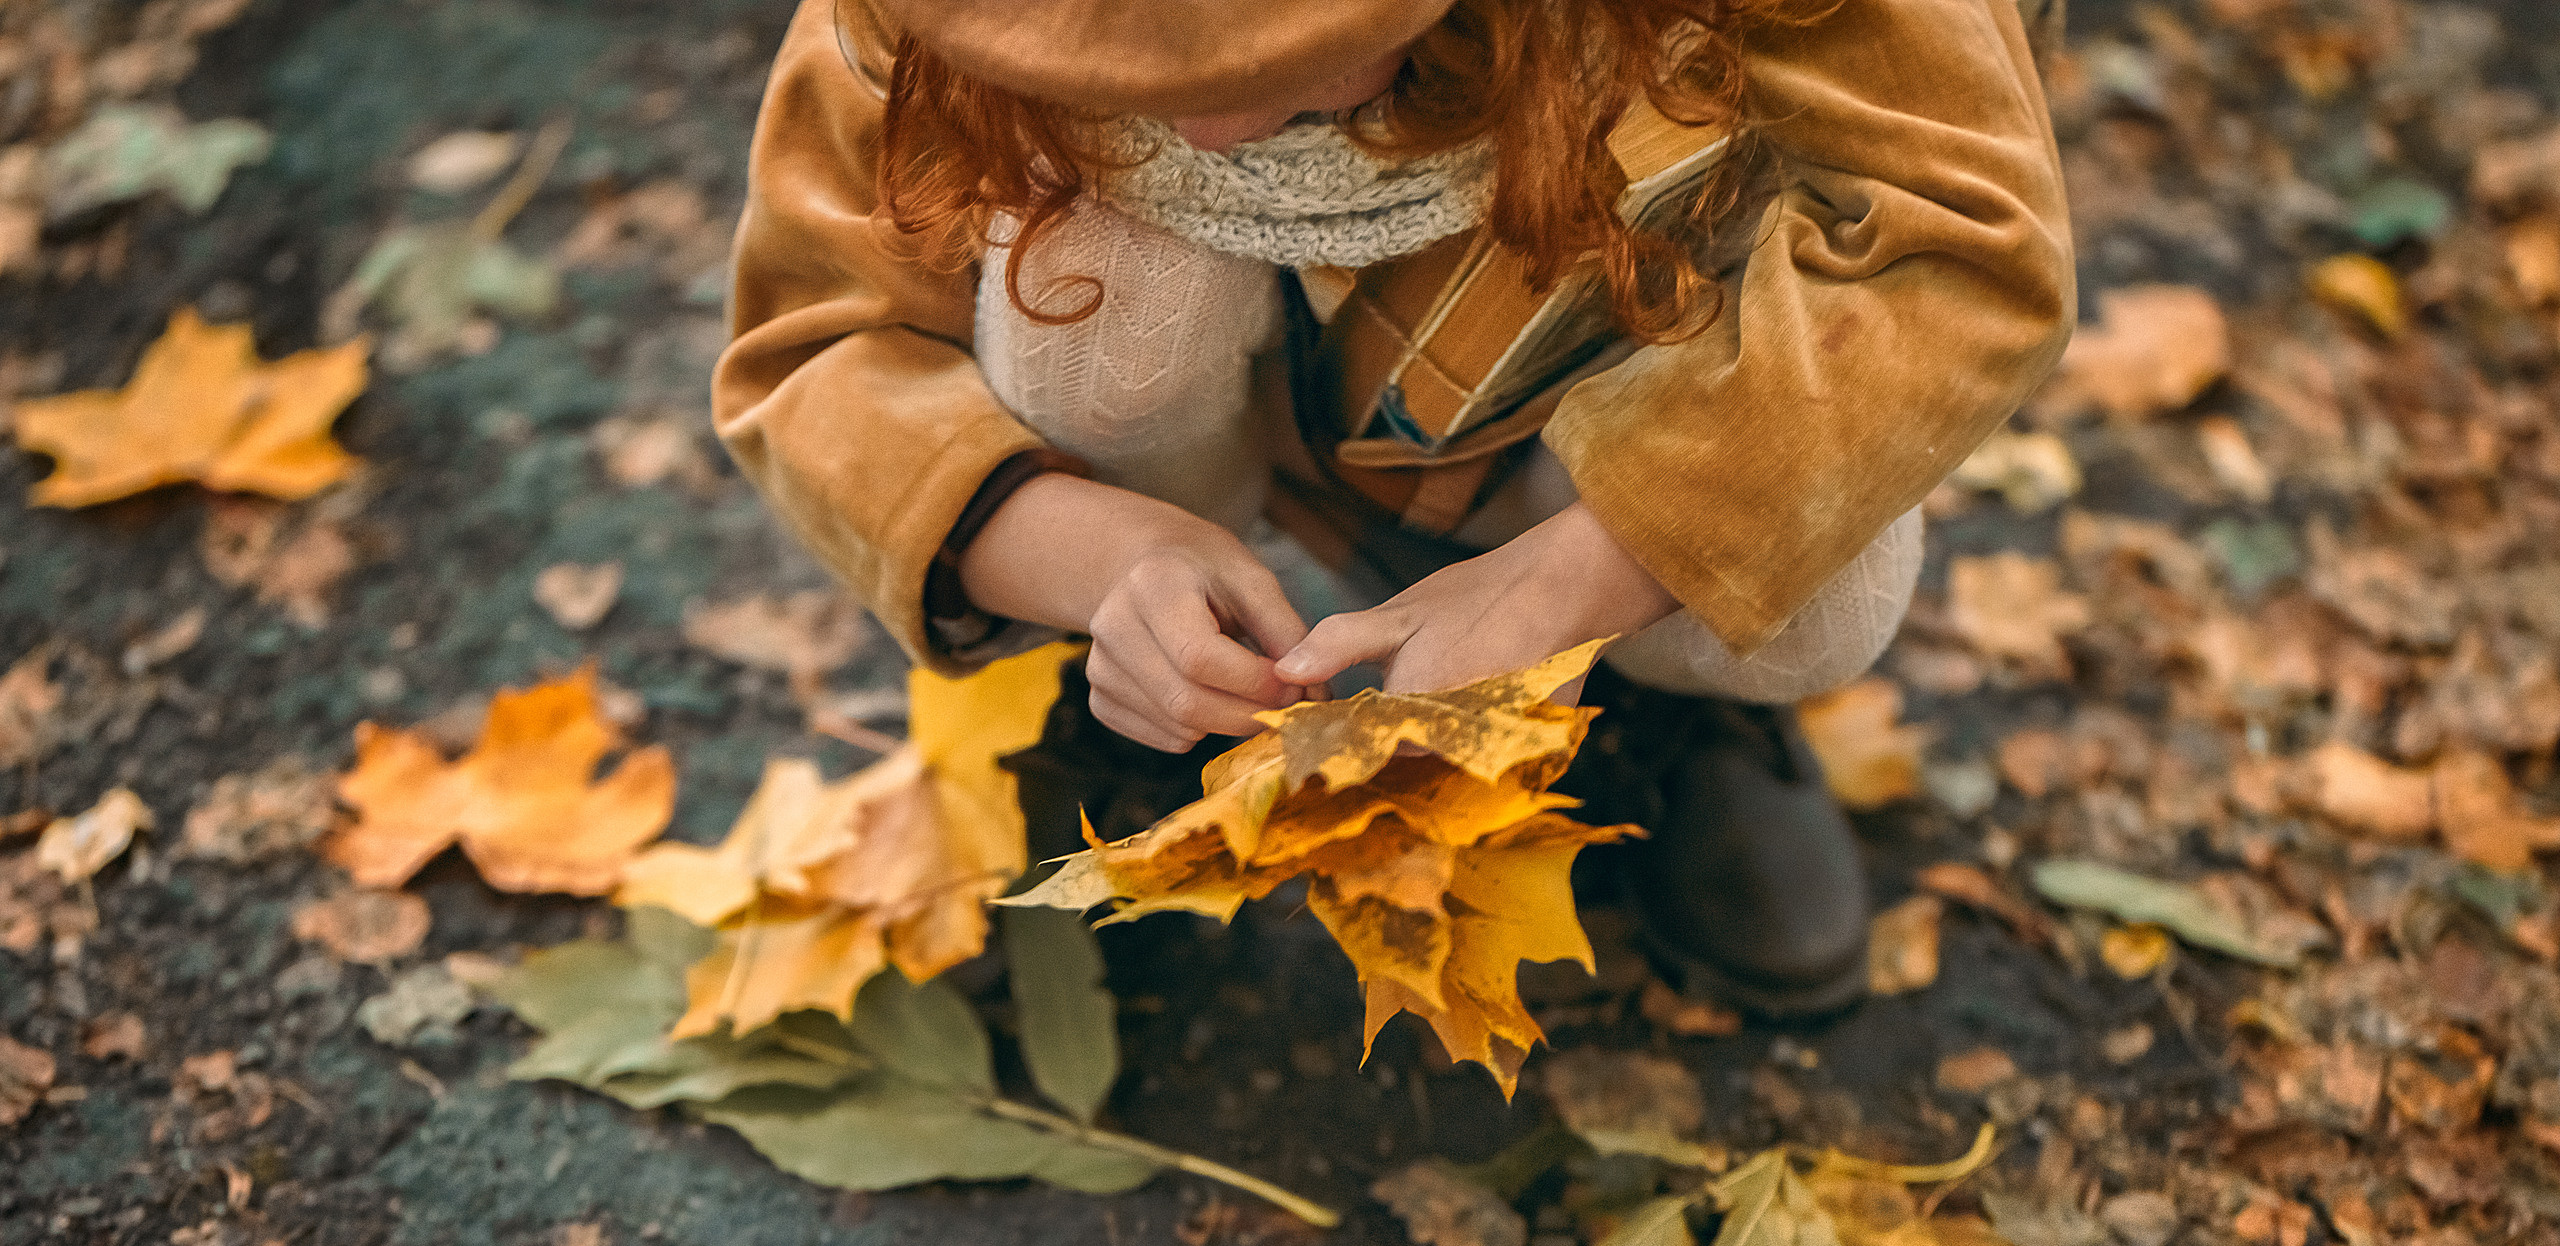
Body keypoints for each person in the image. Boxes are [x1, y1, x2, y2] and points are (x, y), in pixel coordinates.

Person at [714, 0, 2074, 1017]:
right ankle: (1158, 680)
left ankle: (1664, 705)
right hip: (1243, 418)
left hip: (1615, 326)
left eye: (1254, 49)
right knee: (1096, 295)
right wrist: (1098, 551)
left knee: (1823, 597)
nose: (1212, 123)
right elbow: (813, 340)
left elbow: (1963, 243)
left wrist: (1571, 586)